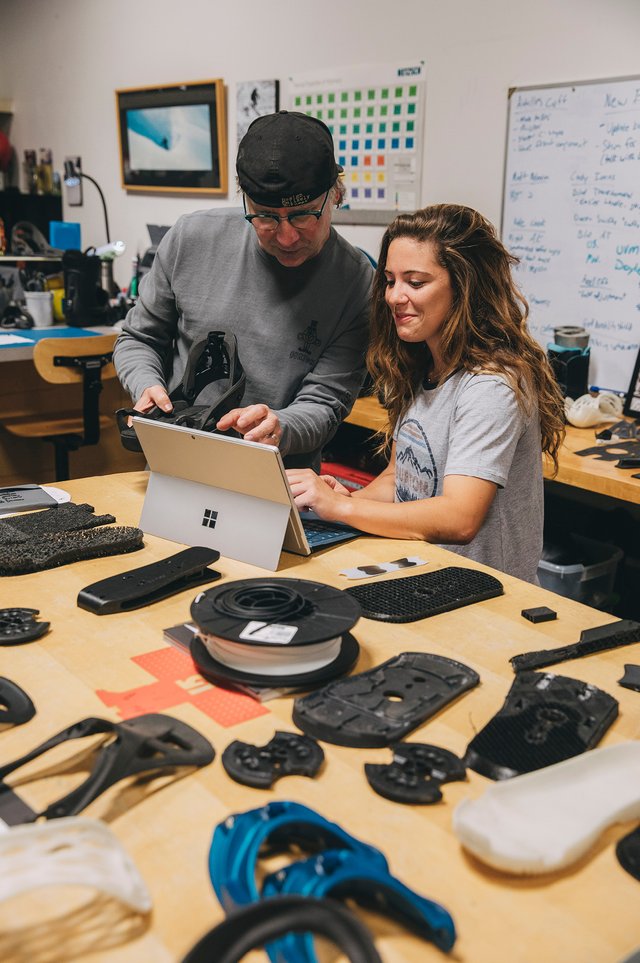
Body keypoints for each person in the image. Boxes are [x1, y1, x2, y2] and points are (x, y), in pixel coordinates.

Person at [287, 204, 565, 582]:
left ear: (464, 288)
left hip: (485, 597)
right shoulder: (424, 365)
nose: (394, 297)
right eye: (389, 280)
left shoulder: (490, 386)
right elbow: (398, 480)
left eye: (415, 283)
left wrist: (340, 508)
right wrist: (347, 499)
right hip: (426, 576)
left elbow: (459, 517)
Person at [113, 110, 373, 470]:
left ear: (336, 195)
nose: (286, 236)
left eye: (303, 216)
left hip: (280, 479)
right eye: (265, 216)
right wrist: (146, 385)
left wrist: (280, 427)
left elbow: (327, 401)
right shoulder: (191, 238)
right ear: (245, 200)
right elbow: (139, 338)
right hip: (175, 464)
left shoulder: (357, 282)